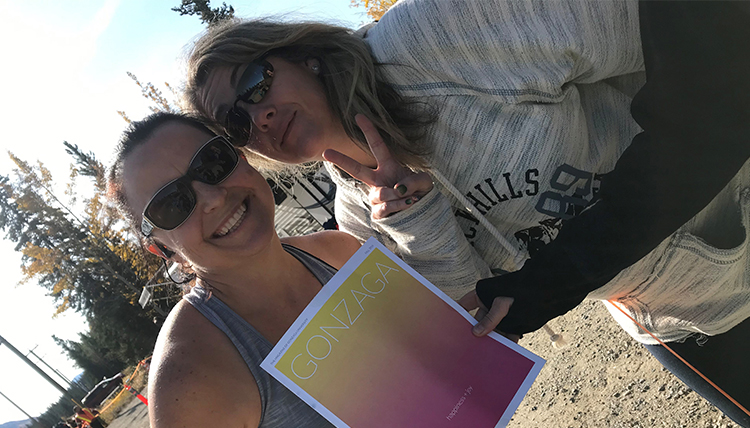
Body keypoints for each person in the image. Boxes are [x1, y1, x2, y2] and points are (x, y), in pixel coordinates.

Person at [181, 0, 750, 424]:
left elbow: (671, 28)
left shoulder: (437, 38)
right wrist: (415, 221)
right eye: (235, 124)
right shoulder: (360, 221)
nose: (256, 119)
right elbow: (478, 333)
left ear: (301, 53)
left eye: (254, 84)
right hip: (682, 319)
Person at [107, 112, 360, 427]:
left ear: (241, 158)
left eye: (212, 162)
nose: (212, 198)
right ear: (162, 248)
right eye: (172, 204)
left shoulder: (342, 253)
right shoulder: (193, 380)